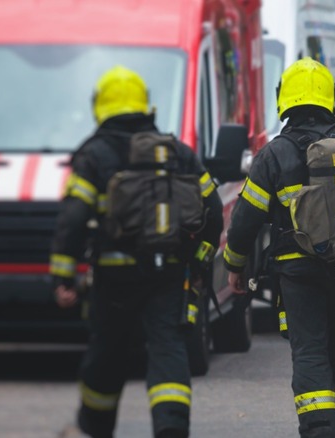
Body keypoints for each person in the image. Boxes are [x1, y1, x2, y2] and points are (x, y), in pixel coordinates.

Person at [50, 66, 223, 438]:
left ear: (102, 106)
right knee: (168, 349)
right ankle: (171, 429)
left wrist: (62, 274)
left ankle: (93, 429)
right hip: (170, 275)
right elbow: (213, 211)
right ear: (147, 106)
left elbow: (74, 217)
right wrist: (200, 259)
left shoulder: (94, 155)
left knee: (107, 354)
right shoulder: (178, 152)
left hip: (113, 279)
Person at [224, 57, 335, 438]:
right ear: (330, 99)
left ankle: (318, 431)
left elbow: (245, 219)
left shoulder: (274, 154)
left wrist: (235, 265)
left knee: (311, 352)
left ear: (286, 100)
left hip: (299, 272)